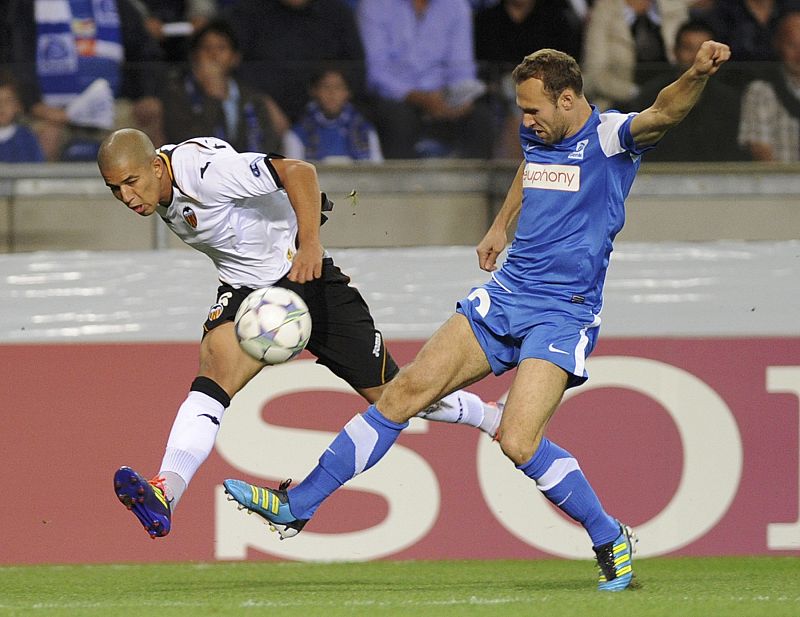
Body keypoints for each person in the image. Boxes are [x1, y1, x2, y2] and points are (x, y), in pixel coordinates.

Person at [223, 41, 732, 591]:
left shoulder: (610, 139)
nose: (525, 120)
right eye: (521, 110)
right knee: (402, 393)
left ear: (568, 100)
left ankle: (608, 535)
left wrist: (697, 74)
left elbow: (664, 111)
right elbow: (531, 170)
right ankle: (298, 504)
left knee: (517, 440)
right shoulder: (539, 134)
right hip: (506, 296)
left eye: (534, 110)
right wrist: (500, 225)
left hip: (562, 314)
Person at [98, 128, 502, 540]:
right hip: (248, 292)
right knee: (213, 378)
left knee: (396, 396)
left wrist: (310, 243)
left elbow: (299, 171)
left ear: (154, 165)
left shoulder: (205, 172)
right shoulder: (159, 183)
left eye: (132, 182)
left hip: (304, 274)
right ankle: (167, 490)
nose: (128, 196)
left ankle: (487, 416)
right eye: (115, 189)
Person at [0, 0, 165, 161]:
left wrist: (148, 94)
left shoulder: (119, 5)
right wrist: (34, 104)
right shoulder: (25, 6)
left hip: (111, 107)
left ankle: (150, 188)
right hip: (46, 109)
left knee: (140, 133)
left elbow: (145, 52)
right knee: (46, 136)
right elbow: (16, 58)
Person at [356, 0, 494, 159]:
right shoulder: (375, 5)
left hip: (443, 96)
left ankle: (475, 184)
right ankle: (401, 183)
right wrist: (421, 98)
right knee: (399, 119)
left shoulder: (456, 5)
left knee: (480, 118)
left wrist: (462, 99)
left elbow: (461, 70)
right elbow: (376, 72)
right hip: (395, 97)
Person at [223, 0, 365, 123]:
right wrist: (261, 103)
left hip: (325, 115)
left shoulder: (337, 13)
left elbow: (355, 69)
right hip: (262, 115)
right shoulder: (247, 13)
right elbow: (230, 68)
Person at [161, 19, 284, 154]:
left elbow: (268, 146)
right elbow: (185, 145)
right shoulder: (178, 95)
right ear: (194, 56)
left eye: (221, 48)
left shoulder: (252, 99)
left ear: (235, 58)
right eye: (206, 48)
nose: (213, 55)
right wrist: (212, 97)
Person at [632, 19, 749, 161]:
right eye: (688, 48)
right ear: (674, 51)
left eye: (703, 51)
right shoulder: (650, 95)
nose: (696, 58)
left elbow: (731, 153)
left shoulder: (728, 100)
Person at [582, 0, 689, 111]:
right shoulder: (604, 10)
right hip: (618, 105)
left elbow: (689, 53)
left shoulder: (674, 6)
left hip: (673, 99)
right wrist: (637, 93)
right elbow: (594, 74)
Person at [282, 67, 383, 162]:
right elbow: (293, 174)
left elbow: (378, 171)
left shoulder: (365, 130)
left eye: (338, 87)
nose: (332, 93)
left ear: (347, 92)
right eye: (325, 87)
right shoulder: (297, 134)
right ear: (314, 91)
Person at [738, 9, 800, 161]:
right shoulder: (761, 91)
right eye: (792, 45)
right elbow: (760, 151)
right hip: (779, 182)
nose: (799, 54)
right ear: (778, 45)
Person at [0, 72, 45, 163]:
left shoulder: (27, 138)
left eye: (8, 101)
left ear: (18, 106)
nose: (2, 106)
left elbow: (36, 170)